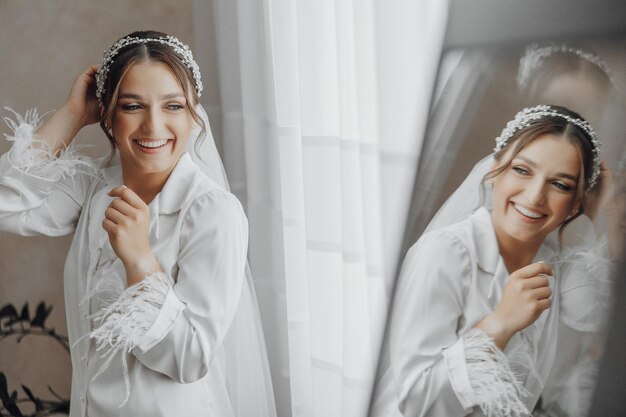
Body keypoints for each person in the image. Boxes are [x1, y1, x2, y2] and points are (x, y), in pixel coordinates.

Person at [0, 30, 276, 417]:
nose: (153, 126)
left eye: (173, 106)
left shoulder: (213, 212)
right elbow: (6, 202)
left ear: (194, 111)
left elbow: (190, 358)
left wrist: (140, 263)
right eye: (132, 106)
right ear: (108, 115)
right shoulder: (94, 188)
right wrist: (72, 115)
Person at [370, 105, 614, 417]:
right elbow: (418, 403)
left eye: (560, 184)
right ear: (494, 170)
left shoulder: (554, 267)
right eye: (522, 170)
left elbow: (593, 314)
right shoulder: (445, 252)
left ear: (575, 204)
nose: (535, 196)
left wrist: (601, 214)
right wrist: (498, 325)